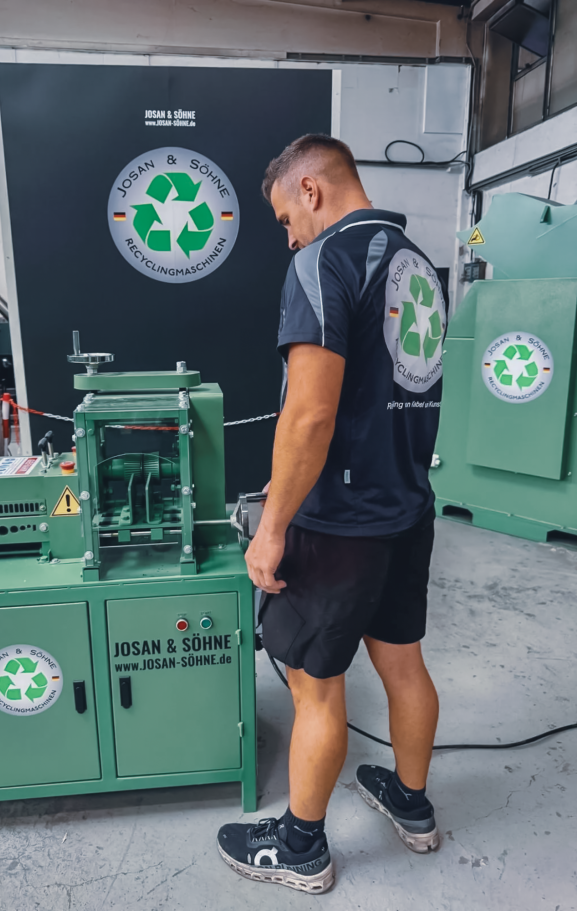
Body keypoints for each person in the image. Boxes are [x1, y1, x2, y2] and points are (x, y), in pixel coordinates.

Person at [217, 134, 447, 893]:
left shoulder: (321, 262)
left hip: (340, 518)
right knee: (403, 661)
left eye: (285, 216)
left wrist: (273, 526)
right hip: (406, 504)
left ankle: (301, 845)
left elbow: (310, 415)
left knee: (315, 682)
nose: (287, 234)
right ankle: (412, 806)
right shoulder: (416, 262)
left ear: (311, 190)